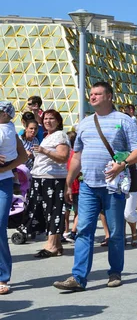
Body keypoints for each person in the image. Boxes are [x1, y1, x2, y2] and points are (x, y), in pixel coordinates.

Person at [53, 82, 137, 291]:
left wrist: (123, 164)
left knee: (114, 232)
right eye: (91, 94)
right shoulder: (84, 123)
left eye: (97, 94)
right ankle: (78, 277)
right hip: (88, 185)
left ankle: (115, 271)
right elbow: (77, 155)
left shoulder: (124, 120)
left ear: (109, 96)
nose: (92, 97)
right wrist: (69, 182)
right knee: (84, 230)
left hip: (113, 187)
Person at [27, 110, 71, 258]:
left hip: (53, 179)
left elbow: (63, 157)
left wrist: (43, 151)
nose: (47, 121)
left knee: (53, 211)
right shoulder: (48, 136)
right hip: (42, 177)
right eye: (45, 118)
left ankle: (51, 245)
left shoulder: (60, 136)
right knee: (48, 212)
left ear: (58, 121)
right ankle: (56, 244)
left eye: (52, 118)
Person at [0, 101, 28, 295]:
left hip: (3, 182)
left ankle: (2, 276)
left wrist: (5, 168)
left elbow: (23, 156)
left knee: (0, 226)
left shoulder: (7, 129)